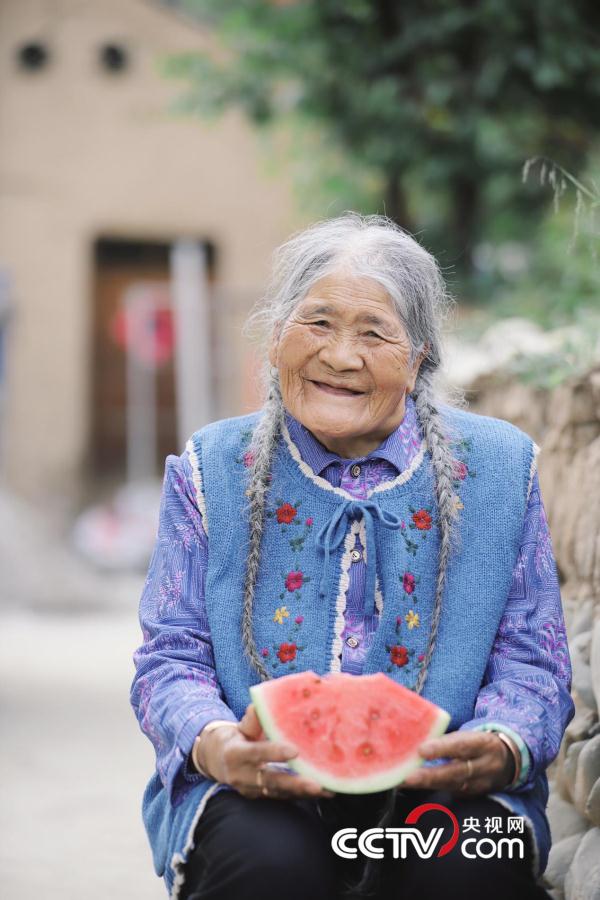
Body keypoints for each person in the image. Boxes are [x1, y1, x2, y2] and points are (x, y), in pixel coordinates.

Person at [130, 213, 574, 900]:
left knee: (465, 872)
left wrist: (500, 744)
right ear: (277, 336)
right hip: (256, 782)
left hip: (459, 789)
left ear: (420, 354)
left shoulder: (500, 469)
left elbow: (533, 661)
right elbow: (171, 658)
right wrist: (215, 741)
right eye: (317, 324)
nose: (340, 356)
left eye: (374, 332)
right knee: (269, 866)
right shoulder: (208, 468)